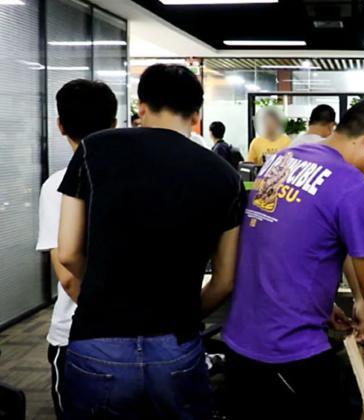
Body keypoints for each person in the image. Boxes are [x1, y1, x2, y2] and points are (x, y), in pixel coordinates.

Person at [57, 64, 246, 418]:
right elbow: (224, 281)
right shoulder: (225, 176)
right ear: (197, 114)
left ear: (141, 107)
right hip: (176, 345)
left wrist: (101, 296)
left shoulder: (94, 149)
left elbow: (67, 252)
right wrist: (182, 315)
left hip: (98, 340)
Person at [223, 98, 364, 420]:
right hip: (289, 352)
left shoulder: (282, 160)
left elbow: (278, 244)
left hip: (239, 344)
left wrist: (321, 301)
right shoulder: (353, 186)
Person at [36, 79, 117, 420]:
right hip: (136, 333)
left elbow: (67, 273)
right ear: (114, 123)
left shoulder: (58, 184)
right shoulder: (137, 178)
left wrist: (105, 318)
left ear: (60, 125)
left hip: (77, 332)